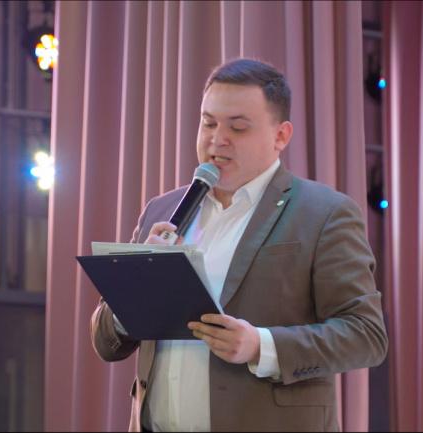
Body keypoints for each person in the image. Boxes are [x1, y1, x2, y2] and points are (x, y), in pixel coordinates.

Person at [90, 58, 388, 432]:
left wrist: (260, 346)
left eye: (238, 127)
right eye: (208, 123)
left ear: (281, 136)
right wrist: (134, 289)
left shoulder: (324, 213)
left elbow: (365, 335)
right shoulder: (162, 210)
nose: (217, 139)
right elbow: (105, 342)